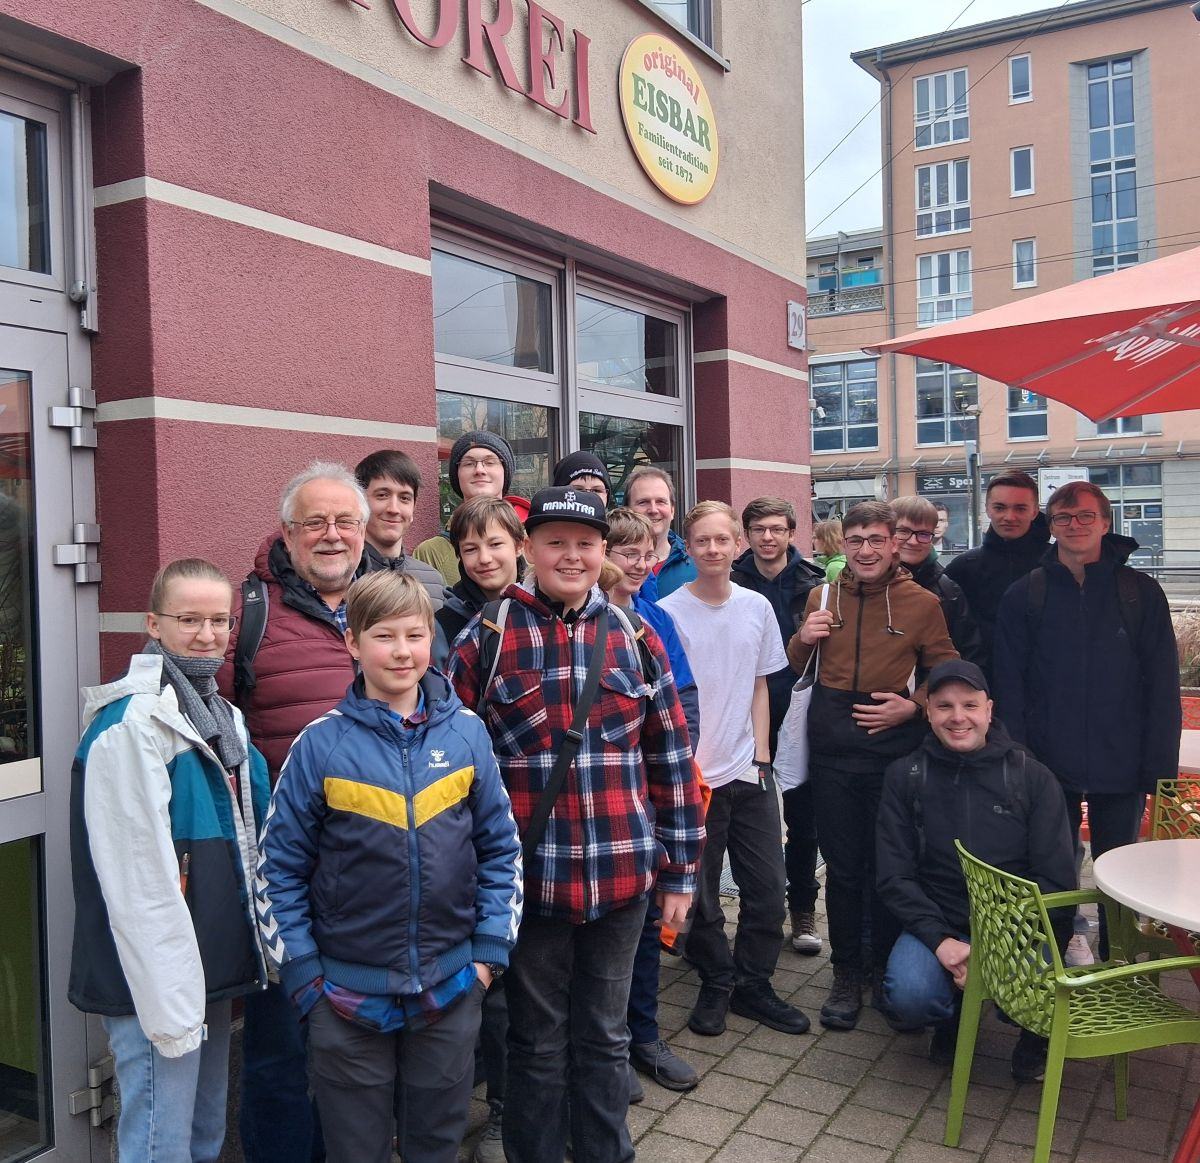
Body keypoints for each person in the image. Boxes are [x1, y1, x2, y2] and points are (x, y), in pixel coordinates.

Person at [447, 486, 704, 1163]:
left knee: (606, 1035)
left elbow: (672, 756)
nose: (571, 555)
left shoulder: (634, 635)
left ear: (603, 553)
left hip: (624, 880)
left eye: (585, 544)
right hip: (532, 885)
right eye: (556, 541)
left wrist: (681, 867)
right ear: (529, 549)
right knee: (535, 1041)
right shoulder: (486, 639)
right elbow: (449, 768)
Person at [256, 572, 522, 1163]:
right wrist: (305, 978)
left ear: (432, 639)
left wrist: (485, 958)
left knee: (435, 1144)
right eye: (383, 636)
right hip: (344, 993)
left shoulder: (467, 735)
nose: (401, 651)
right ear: (352, 643)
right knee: (357, 1151)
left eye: (414, 634)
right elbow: (278, 869)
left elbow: (501, 848)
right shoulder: (319, 745)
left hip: (451, 985)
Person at [69, 559, 269, 1163]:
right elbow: (138, 886)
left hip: (205, 966)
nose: (207, 635)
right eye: (189, 620)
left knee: (203, 1135)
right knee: (159, 1142)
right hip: (154, 980)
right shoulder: (132, 727)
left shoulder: (221, 717)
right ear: (154, 624)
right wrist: (170, 1002)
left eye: (219, 620)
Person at [219, 460, 368, 1162]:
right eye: (315, 521)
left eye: (345, 520)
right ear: (288, 531)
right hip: (286, 884)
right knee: (280, 1055)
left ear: (365, 532)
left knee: (360, 1056)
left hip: (376, 879)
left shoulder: (389, 606)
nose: (331, 534)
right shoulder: (246, 614)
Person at [993, 480, 1181, 960]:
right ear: (1050, 526)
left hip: (1122, 758)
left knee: (1117, 863)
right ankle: (1054, 953)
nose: (1074, 526)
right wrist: (1018, 755)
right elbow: (1009, 684)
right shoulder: (1026, 594)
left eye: (1084, 517)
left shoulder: (1139, 592)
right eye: (1063, 518)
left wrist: (1159, 768)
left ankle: (1118, 953)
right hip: (1046, 759)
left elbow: (1162, 686)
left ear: (1105, 523)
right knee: (1052, 863)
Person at [788, 501, 958, 1031]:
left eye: (875, 540)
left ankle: (885, 969)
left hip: (894, 752)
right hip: (834, 752)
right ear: (845, 543)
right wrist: (803, 638)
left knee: (890, 867)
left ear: (893, 544)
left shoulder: (922, 603)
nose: (865, 550)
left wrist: (916, 706)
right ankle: (845, 973)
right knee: (842, 866)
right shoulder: (822, 594)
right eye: (856, 540)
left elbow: (945, 669)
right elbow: (794, 665)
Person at [875, 659, 1075, 1082]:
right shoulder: (905, 777)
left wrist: (995, 947)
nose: (958, 717)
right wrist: (941, 941)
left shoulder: (1032, 778)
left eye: (969, 704)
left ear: (989, 709)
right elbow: (894, 876)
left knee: (1027, 994)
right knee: (910, 996)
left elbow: (1056, 880)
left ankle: (1033, 1034)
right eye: (944, 706)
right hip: (941, 922)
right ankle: (951, 1017)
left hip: (1019, 928)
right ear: (927, 712)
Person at [661, 501, 810, 1039]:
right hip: (695, 779)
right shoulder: (669, 611)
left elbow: (759, 684)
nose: (713, 550)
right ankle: (717, 980)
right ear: (690, 545)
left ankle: (753, 983)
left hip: (749, 771)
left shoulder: (756, 608)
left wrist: (764, 757)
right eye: (702, 541)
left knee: (768, 888)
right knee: (699, 898)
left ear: (735, 544)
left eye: (722, 540)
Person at [431, 494, 526, 1163]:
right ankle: (485, 1105)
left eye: (496, 542)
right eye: (471, 546)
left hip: (541, 821)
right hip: (466, 820)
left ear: (519, 544)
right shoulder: (443, 621)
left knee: (534, 986)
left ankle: (520, 1110)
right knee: (486, 983)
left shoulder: (547, 610)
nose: (485, 556)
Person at [604, 506, 701, 1094]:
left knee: (641, 934)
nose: (640, 564)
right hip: (593, 802)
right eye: (627, 553)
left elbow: (682, 699)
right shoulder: (571, 620)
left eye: (647, 554)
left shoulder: (654, 619)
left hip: (645, 798)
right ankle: (605, 1047)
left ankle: (643, 1035)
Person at [731, 496, 825, 955]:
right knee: (746, 821)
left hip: (800, 716)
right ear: (746, 536)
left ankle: (803, 908)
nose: (768, 537)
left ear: (791, 533)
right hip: (744, 720)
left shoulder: (819, 585)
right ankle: (754, 910)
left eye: (777, 529)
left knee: (804, 819)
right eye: (758, 529)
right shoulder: (729, 581)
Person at [944, 471, 1049, 675]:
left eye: (1020, 508)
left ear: (1035, 511)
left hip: (1048, 687)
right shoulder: (963, 568)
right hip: (979, 688)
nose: (1009, 517)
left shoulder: (1058, 564)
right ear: (987, 510)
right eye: (1000, 507)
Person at [414, 432, 522, 586]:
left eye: (490, 462)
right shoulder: (431, 552)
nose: (479, 470)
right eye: (469, 463)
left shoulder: (535, 542)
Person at [890, 496, 984, 666]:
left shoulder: (949, 591)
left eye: (923, 534)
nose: (912, 541)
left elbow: (968, 654)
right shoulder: (863, 582)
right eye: (903, 531)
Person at [354, 449, 446, 607]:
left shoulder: (434, 582)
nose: (394, 509)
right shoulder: (343, 576)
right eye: (382, 495)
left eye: (404, 498)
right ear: (360, 503)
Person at [625, 465, 695, 598]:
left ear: (672, 510)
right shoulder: (611, 567)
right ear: (628, 510)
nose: (653, 510)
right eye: (643, 502)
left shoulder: (695, 564)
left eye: (660, 502)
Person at [812, 517, 847, 582]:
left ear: (827, 540)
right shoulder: (839, 563)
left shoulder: (834, 567)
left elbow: (839, 592)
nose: (812, 541)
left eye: (815, 537)